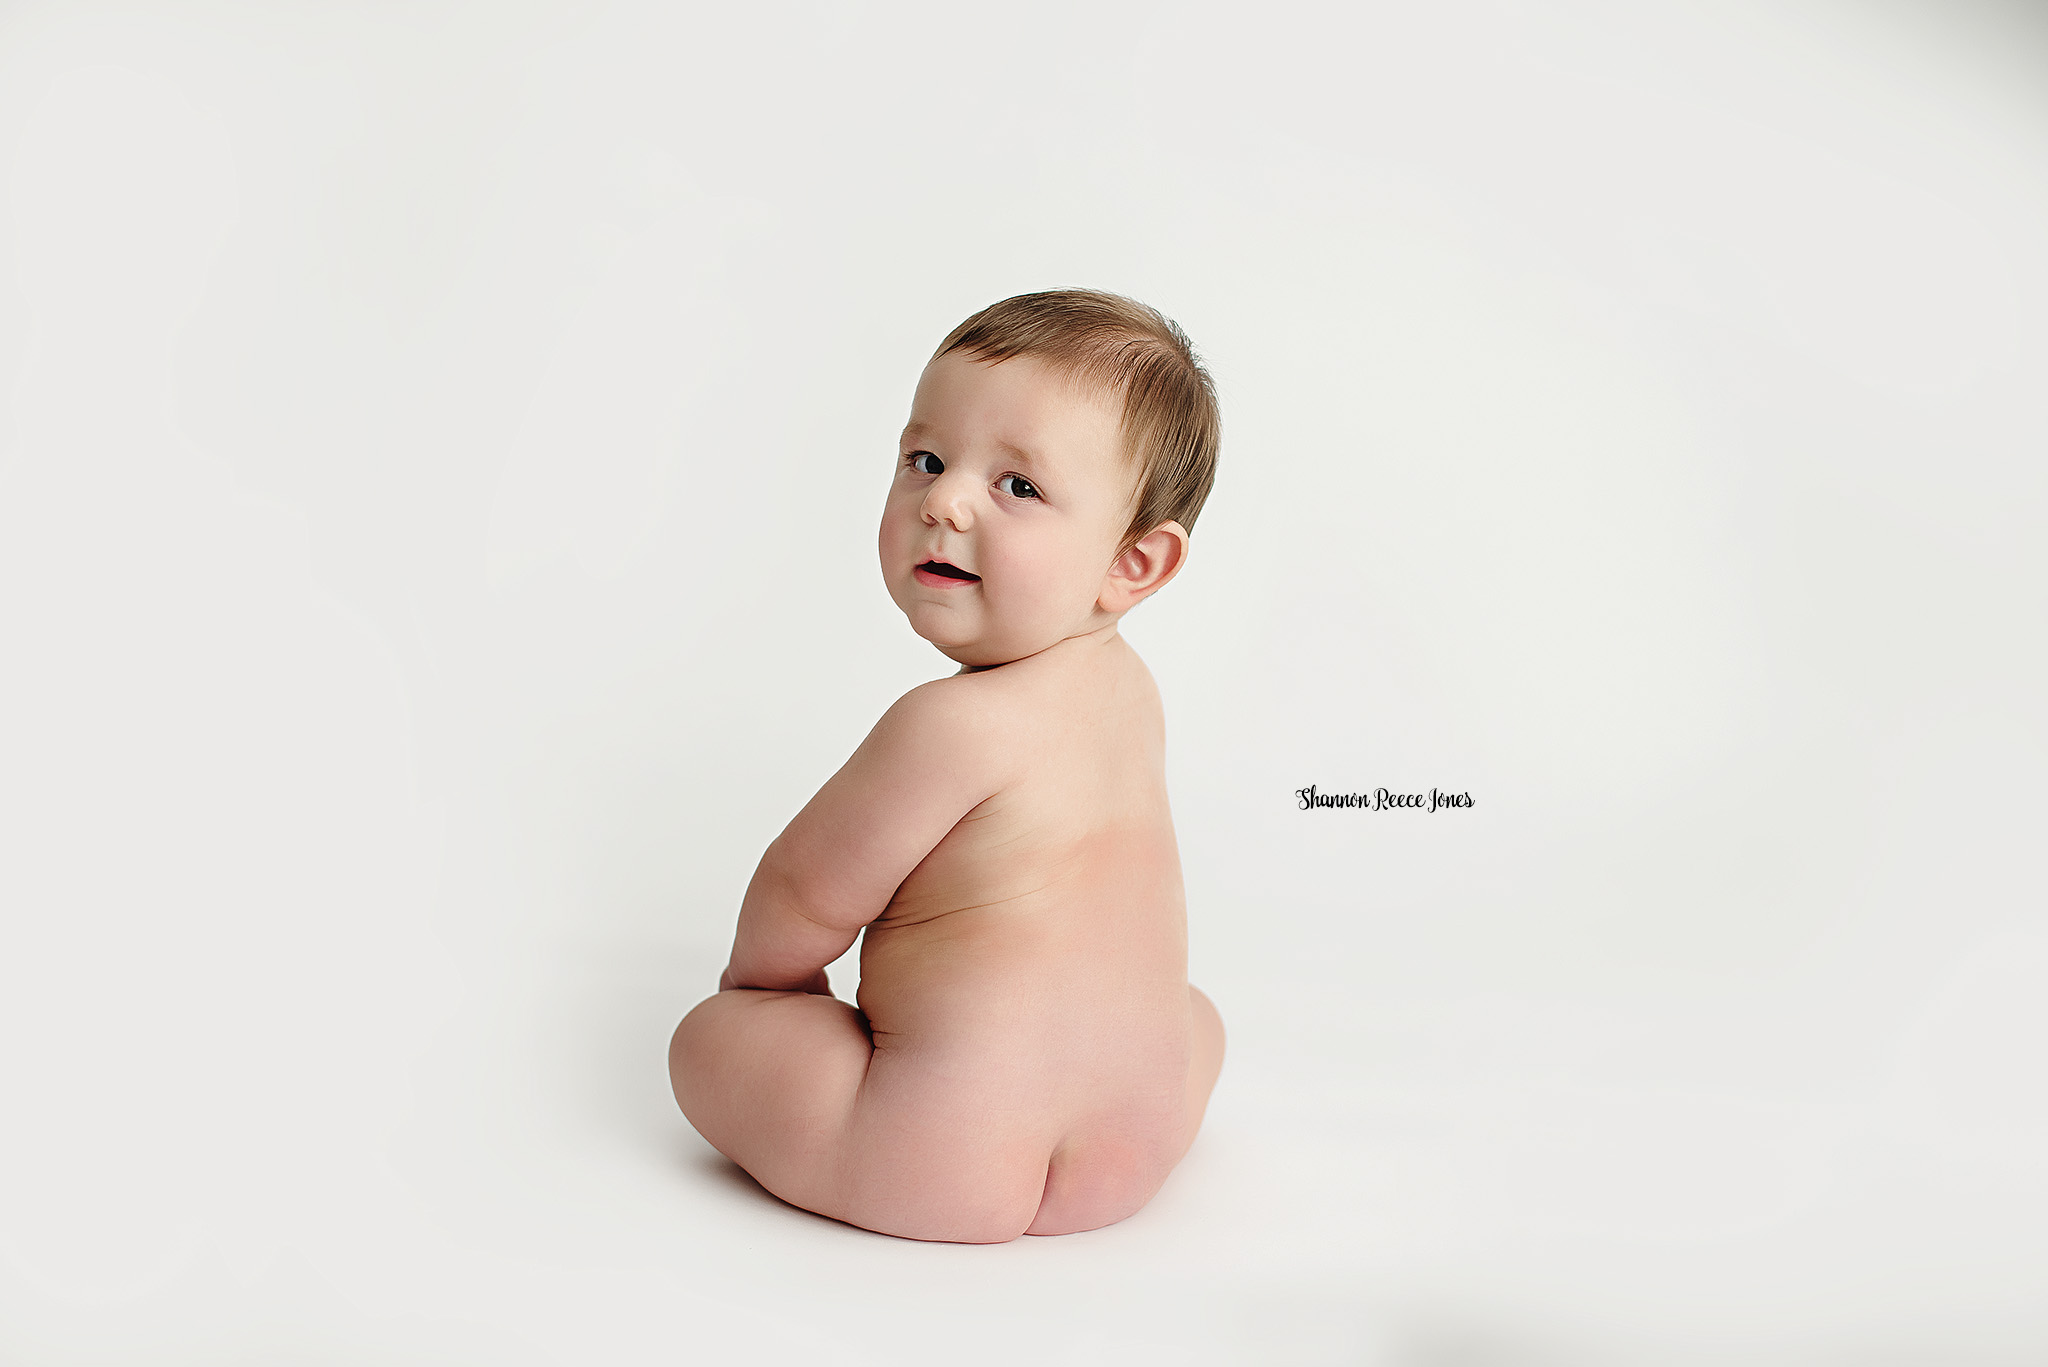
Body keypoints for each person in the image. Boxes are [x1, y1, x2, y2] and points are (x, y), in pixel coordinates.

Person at [669, 288, 1226, 1242]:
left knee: (701, 1043)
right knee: (1197, 1014)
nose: (945, 499)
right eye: (925, 459)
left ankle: (846, 1101)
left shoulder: (949, 724)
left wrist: (771, 996)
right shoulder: (1134, 694)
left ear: (1132, 563)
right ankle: (1115, 1107)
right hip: (1134, 1151)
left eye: (1018, 486)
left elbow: (803, 893)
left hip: (941, 1160)